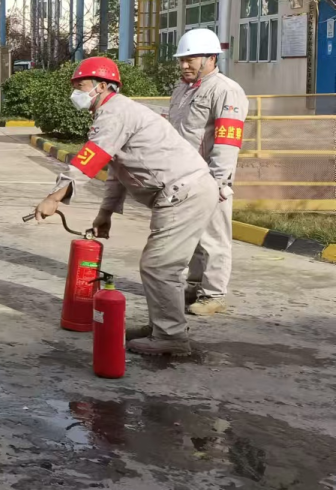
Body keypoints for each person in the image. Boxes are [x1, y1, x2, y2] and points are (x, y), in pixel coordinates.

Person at [32, 56, 217, 358]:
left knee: (160, 265)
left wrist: (53, 197)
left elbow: (90, 158)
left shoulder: (115, 113)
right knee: (158, 264)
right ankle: (161, 327)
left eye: (82, 86)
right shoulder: (115, 111)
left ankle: (170, 336)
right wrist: (105, 214)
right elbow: (117, 171)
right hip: (184, 191)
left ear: (102, 86)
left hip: (186, 193)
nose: (76, 93)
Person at [166, 28, 246, 317]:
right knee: (193, 237)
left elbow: (227, 141)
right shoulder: (183, 90)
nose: (184, 65)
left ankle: (214, 294)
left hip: (210, 179)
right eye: (182, 59)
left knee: (213, 238)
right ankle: (194, 285)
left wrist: (218, 182)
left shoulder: (226, 90)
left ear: (211, 58)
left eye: (191, 59)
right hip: (183, 178)